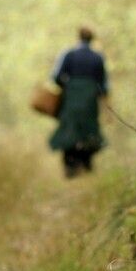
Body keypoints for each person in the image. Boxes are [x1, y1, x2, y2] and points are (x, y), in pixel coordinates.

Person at [49, 27, 109, 178]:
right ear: (92, 39)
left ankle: (70, 171)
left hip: (70, 100)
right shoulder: (97, 57)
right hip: (90, 102)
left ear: (79, 37)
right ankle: (87, 169)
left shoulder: (69, 54)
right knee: (88, 133)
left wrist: (68, 87)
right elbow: (104, 85)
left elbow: (56, 77)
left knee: (69, 132)